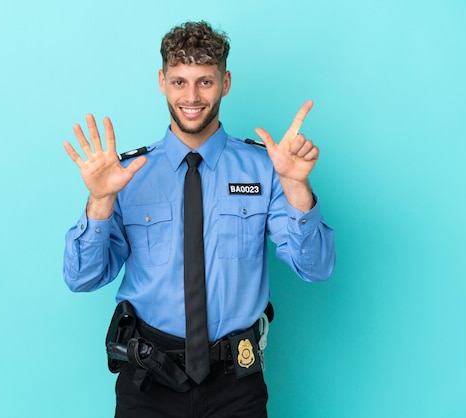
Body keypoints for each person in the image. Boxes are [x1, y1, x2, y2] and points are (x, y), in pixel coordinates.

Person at [62, 21, 335, 418]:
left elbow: (317, 269)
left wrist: (296, 187)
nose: (191, 96)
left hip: (235, 383)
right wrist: (101, 198)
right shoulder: (127, 175)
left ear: (225, 82)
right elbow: (82, 278)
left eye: (205, 82)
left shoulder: (264, 169)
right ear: (162, 81)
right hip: (147, 381)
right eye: (179, 82)